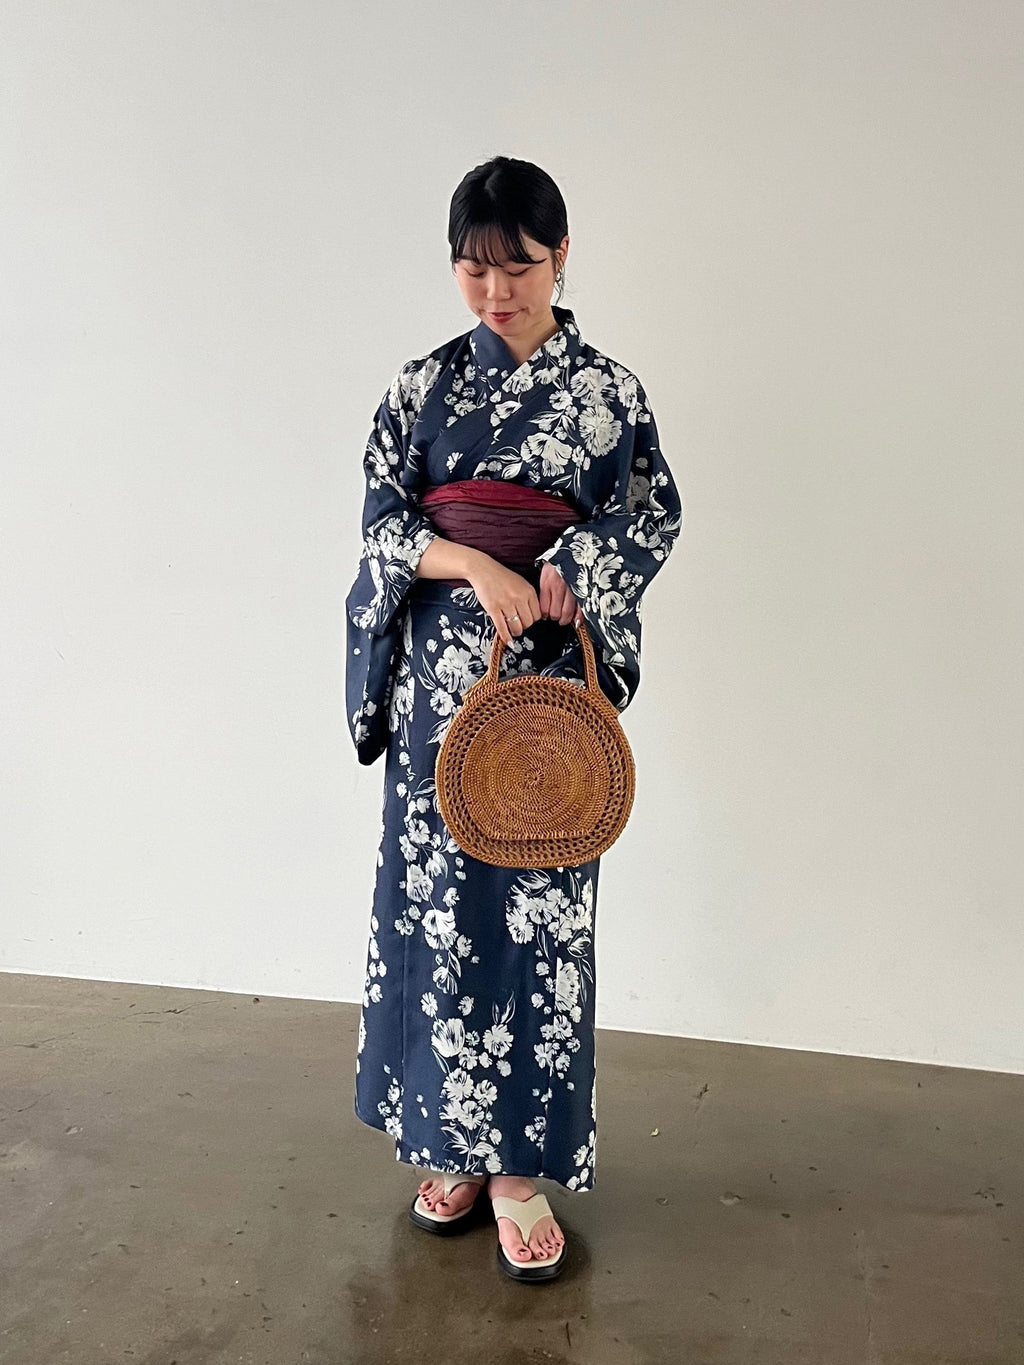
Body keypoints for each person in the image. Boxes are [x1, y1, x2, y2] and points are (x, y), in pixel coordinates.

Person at [345, 155, 682, 1282]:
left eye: (520, 268)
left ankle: (517, 1171)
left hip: (546, 694)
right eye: (474, 270)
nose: (497, 293)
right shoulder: (420, 388)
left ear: (562, 255)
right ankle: (445, 1147)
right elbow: (383, 524)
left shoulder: (609, 394)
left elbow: (649, 512)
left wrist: (577, 564)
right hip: (443, 688)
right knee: (437, 914)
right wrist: (471, 564)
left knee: (538, 920)